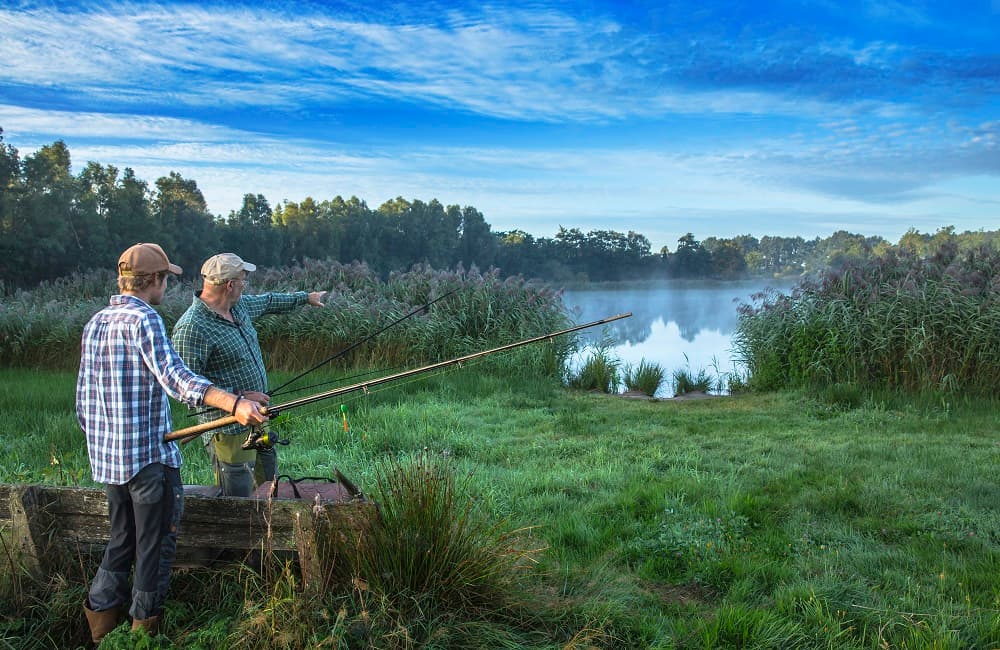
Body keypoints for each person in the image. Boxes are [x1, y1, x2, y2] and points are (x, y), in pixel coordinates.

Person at [77, 243, 268, 644]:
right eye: (167, 278)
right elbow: (178, 379)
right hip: (148, 461)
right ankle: (140, 634)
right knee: (154, 550)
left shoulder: (97, 320)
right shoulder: (144, 319)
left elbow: (84, 399)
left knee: (120, 541)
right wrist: (235, 404)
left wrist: (104, 442)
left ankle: (99, 631)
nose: (168, 286)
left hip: (110, 463)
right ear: (156, 280)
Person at [171, 253, 327, 497]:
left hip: (259, 420)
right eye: (243, 280)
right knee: (239, 501)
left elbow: (269, 302)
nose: (245, 285)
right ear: (230, 285)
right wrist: (239, 396)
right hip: (229, 432)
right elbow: (185, 389)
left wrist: (306, 298)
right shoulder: (192, 328)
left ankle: (267, 533)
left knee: (268, 492)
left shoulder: (239, 307)